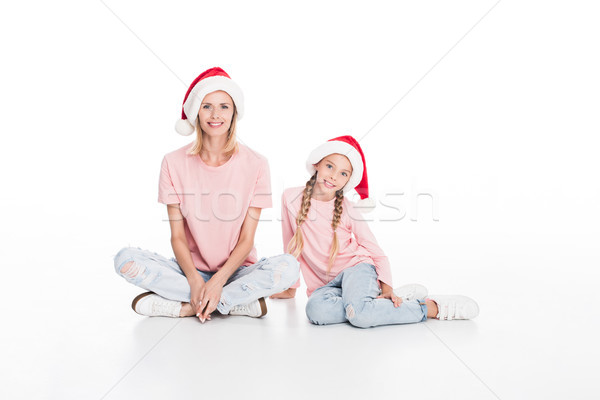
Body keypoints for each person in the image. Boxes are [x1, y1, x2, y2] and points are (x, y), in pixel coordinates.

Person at [114, 67, 299, 322]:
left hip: (236, 271)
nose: (215, 115)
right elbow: (177, 237)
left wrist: (219, 281)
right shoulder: (173, 162)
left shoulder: (257, 164)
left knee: (289, 268)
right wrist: (194, 280)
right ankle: (231, 303)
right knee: (125, 259)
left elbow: (247, 240)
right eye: (206, 106)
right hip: (189, 271)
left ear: (234, 112)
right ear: (195, 113)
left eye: (224, 106)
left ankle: (190, 305)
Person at [272, 135, 479, 328]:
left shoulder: (348, 209)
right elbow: (290, 244)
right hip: (326, 287)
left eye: (343, 173)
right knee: (316, 311)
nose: (334, 176)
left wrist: (387, 287)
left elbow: (374, 249)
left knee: (361, 317)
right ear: (316, 164)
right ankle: (368, 301)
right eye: (329, 166)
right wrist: (291, 286)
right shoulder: (290, 198)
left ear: (348, 181)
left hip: (357, 270)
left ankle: (430, 307)